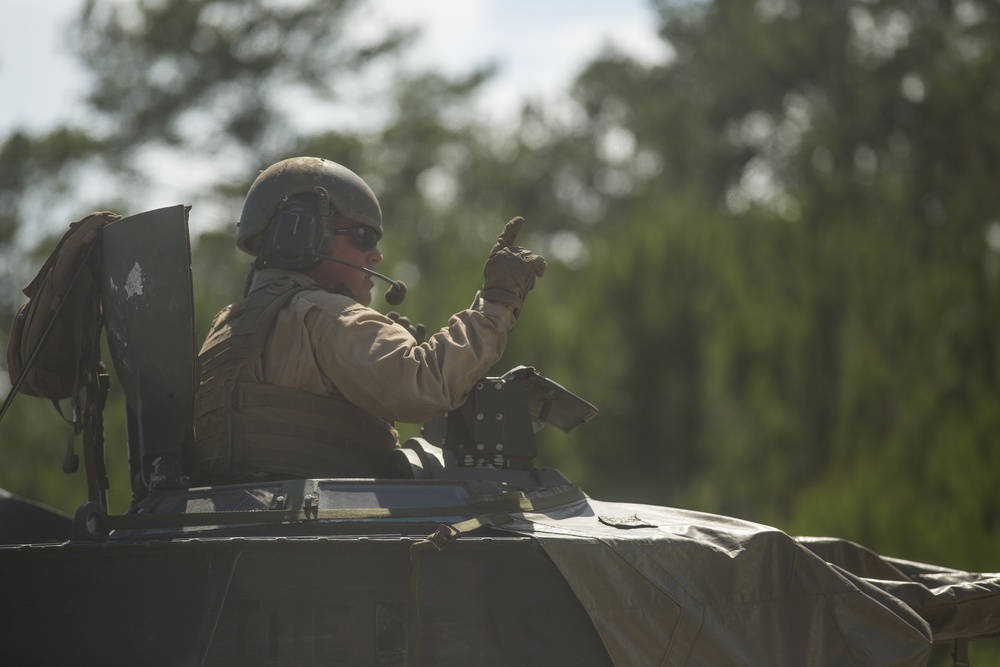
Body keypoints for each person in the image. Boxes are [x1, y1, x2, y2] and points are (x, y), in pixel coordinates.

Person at [192, 156, 546, 482]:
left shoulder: (225, 327)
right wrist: (496, 303)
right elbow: (426, 383)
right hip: (320, 537)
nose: (376, 256)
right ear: (300, 233)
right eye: (362, 238)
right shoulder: (326, 316)